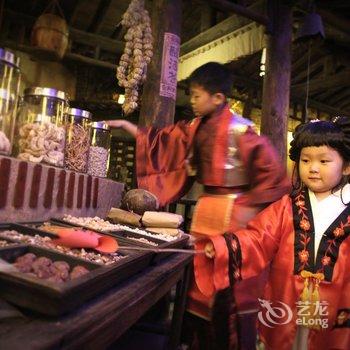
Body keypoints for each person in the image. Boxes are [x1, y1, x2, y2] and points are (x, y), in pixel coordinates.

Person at [105, 62, 290, 349]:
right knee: (195, 289)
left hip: (235, 217)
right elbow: (163, 141)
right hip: (206, 212)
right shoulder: (193, 127)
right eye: (190, 95)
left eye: (196, 95)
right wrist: (131, 128)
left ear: (218, 98)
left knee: (224, 289)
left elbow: (275, 179)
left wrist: (248, 206)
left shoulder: (243, 131)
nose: (191, 101)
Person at [199, 117, 350, 349]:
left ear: (347, 166)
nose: (313, 168)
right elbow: (258, 238)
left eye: (324, 161)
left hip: (337, 304)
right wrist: (224, 247)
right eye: (306, 160)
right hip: (286, 301)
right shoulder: (286, 206)